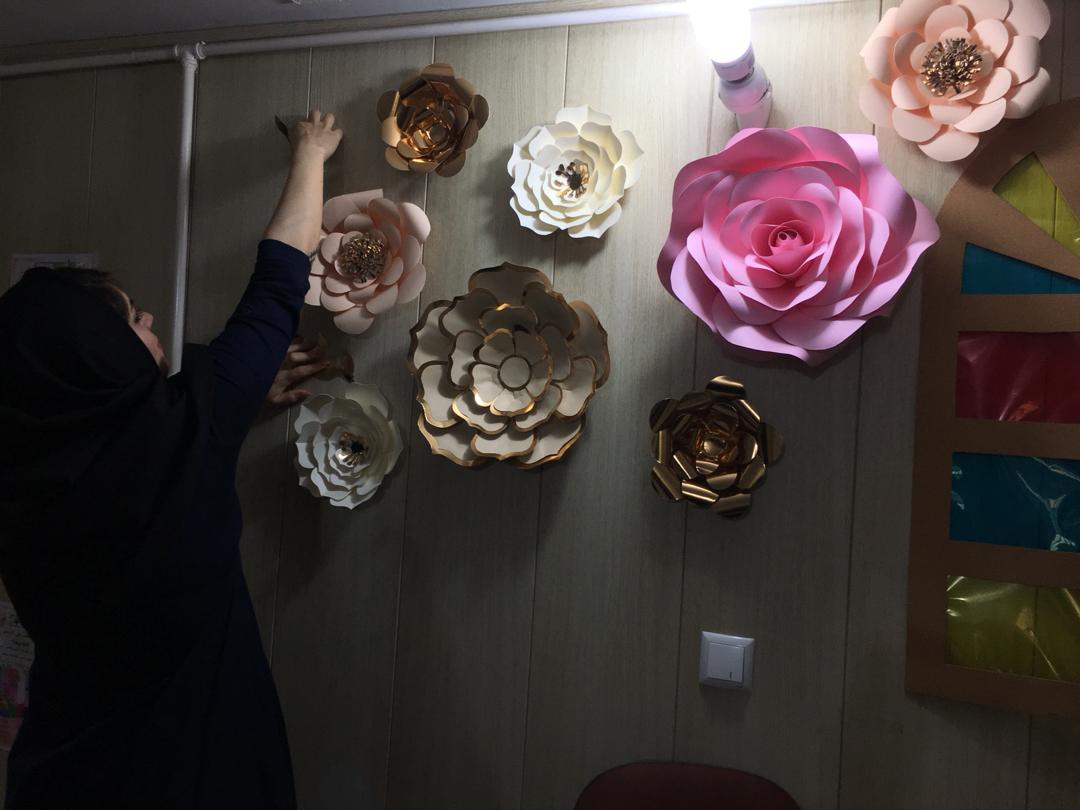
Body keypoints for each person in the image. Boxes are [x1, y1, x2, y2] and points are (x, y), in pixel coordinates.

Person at [0, 109, 343, 808]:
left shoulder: (19, 482)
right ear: (98, 355)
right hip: (196, 771)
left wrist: (233, 406)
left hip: (64, 774)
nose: (150, 318)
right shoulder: (184, 432)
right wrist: (310, 153)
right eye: (131, 317)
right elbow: (278, 281)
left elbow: (134, 459)